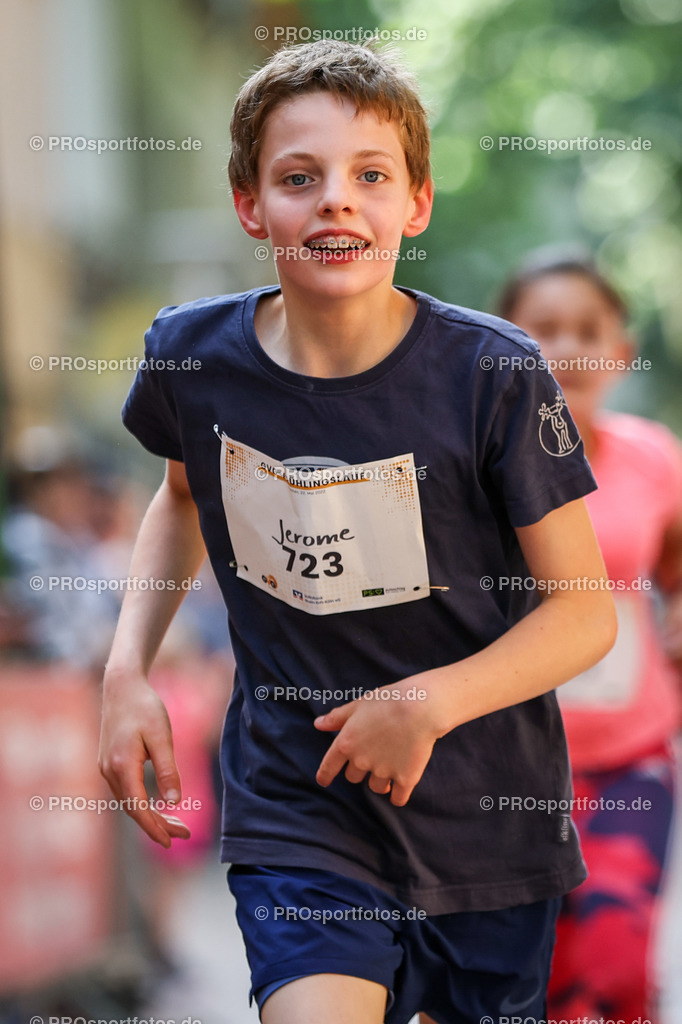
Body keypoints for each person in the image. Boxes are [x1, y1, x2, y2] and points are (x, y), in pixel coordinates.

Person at [98, 41, 617, 1024]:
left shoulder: (494, 374)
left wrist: (424, 704)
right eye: (299, 177)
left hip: (488, 823)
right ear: (251, 205)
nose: (336, 200)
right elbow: (179, 498)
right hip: (300, 802)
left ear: (414, 204)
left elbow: (585, 617)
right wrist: (126, 670)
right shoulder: (189, 355)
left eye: (369, 176)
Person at [498, 251, 682, 1021]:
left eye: (588, 330)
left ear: (620, 350)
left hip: (628, 761)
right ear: (500, 342)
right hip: (500, 765)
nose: (567, 348)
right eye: (544, 329)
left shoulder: (654, 459)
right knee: (519, 978)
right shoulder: (473, 461)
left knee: (611, 969)